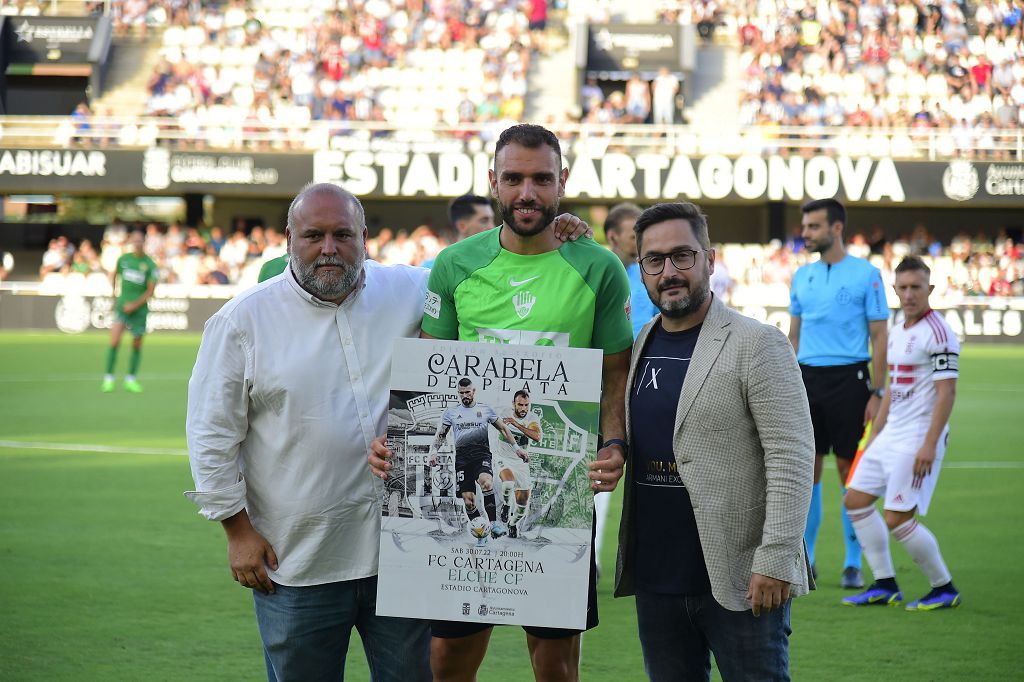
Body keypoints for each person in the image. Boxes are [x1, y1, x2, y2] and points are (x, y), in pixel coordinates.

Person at [368, 123, 632, 682]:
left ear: (564, 180)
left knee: (555, 659)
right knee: (449, 657)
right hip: (471, 462)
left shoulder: (599, 268)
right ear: (493, 182)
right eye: (513, 178)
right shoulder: (455, 265)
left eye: (541, 178)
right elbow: (432, 373)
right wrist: (397, 437)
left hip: (557, 489)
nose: (527, 193)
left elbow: (614, 375)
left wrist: (614, 443)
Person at [185, 183, 432, 681]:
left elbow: (489, 274)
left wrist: (561, 236)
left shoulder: (412, 290)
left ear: (364, 237)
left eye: (343, 234)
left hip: (401, 554)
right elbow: (211, 434)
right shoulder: (242, 321)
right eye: (313, 235)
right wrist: (236, 531)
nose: (328, 248)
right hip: (297, 561)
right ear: (289, 240)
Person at [615, 201, 814, 682]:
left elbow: (791, 457)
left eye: (683, 256)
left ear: (710, 258)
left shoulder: (757, 342)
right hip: (657, 578)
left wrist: (775, 557)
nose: (669, 272)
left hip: (741, 579)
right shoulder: (641, 341)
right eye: (655, 261)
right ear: (640, 269)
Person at [842, 256, 962, 610]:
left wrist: (929, 443)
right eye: (903, 288)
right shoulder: (898, 327)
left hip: (918, 439)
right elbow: (893, 389)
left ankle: (944, 588)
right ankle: (885, 584)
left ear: (930, 290)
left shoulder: (939, 332)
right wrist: (875, 434)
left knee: (897, 517)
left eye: (916, 287)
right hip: (891, 433)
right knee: (856, 501)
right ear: (895, 290)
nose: (909, 294)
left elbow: (947, 392)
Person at [789, 197, 889, 589]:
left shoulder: (867, 275)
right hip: (806, 380)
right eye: (805, 226)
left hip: (851, 381)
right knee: (806, 471)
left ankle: (852, 561)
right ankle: (808, 557)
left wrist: (877, 391)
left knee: (851, 471)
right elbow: (794, 335)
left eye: (813, 226)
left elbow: (880, 337)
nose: (806, 233)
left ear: (836, 228)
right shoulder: (801, 276)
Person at [432, 377, 528, 545]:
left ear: (474, 391)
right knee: (469, 502)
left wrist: (517, 449)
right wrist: (433, 452)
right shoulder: (451, 412)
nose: (464, 396)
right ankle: (480, 530)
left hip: (481, 455)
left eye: (467, 392)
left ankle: (494, 524)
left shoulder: (486, 410)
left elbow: (504, 429)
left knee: (486, 483)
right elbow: (441, 434)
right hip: (462, 459)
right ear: (458, 393)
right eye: (461, 393)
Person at [102, 230, 158, 393]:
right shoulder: (124, 260)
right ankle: (108, 378)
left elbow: (150, 291)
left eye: (140, 241)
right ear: (132, 242)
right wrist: (115, 296)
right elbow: (114, 277)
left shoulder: (150, 264)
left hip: (139, 311)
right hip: (122, 308)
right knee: (114, 341)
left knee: (136, 344)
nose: (137, 244)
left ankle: (131, 379)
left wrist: (134, 305)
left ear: (144, 243)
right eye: (135, 241)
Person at [495, 389, 542, 539]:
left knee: (522, 507)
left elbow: (536, 436)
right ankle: (507, 505)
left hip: (521, 463)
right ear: (513, 404)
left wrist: (517, 424)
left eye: (526, 405)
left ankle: (512, 524)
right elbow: (505, 433)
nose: (523, 408)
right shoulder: (505, 413)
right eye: (520, 405)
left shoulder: (532, 417)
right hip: (503, 457)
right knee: (508, 483)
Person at [421, 194, 495, 268]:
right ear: (462, 226)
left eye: (492, 220)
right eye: (484, 221)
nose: (492, 227)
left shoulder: (497, 265)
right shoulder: (433, 268)